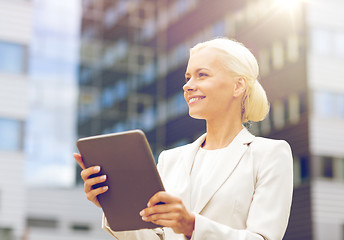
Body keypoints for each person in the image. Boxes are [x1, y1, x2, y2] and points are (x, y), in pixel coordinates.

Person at [74, 37, 293, 240]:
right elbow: (156, 237)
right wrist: (113, 204)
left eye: (202, 75)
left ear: (238, 85)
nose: (187, 85)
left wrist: (192, 225)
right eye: (188, 77)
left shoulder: (270, 155)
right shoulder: (170, 159)